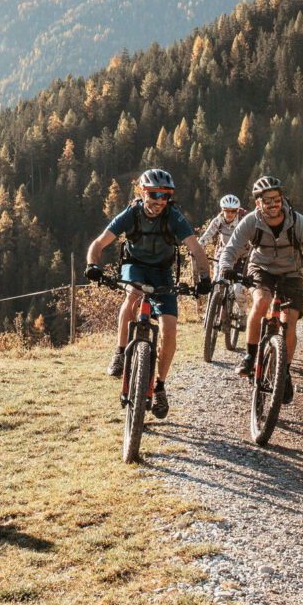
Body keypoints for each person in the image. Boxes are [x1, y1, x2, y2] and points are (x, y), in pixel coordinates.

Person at [85, 169, 211, 420]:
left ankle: (160, 386)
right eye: (154, 195)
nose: (159, 201)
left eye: (165, 196)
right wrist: (93, 266)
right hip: (135, 266)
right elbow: (98, 244)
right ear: (143, 193)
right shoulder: (131, 214)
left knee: (169, 330)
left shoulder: (174, 217)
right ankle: (120, 352)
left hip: (162, 272)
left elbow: (196, 249)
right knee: (132, 295)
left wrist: (205, 279)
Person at [216, 176, 303, 403]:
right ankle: (250, 356)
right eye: (267, 200)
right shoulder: (251, 221)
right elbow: (231, 249)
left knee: (289, 320)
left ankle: (285, 372)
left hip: (291, 272)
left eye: (276, 199)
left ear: (283, 200)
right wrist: (225, 267)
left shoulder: (297, 222)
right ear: (258, 203)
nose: (273, 204)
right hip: (261, 268)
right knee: (262, 301)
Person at [199, 194, 249, 334]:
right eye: (227, 210)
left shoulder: (243, 221)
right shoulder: (218, 221)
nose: (230, 214)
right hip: (223, 255)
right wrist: (197, 249)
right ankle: (209, 314)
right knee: (215, 284)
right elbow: (206, 236)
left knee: (238, 288)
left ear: (237, 211)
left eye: (233, 211)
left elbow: (253, 237)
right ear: (222, 210)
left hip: (241, 256)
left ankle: (242, 314)